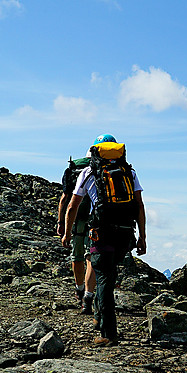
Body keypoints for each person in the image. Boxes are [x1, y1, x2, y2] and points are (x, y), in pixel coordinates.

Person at [61, 134, 147, 346]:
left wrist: (67, 232)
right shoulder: (129, 172)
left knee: (104, 280)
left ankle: (107, 333)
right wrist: (142, 237)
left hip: (101, 232)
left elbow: (72, 206)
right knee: (107, 276)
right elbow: (139, 205)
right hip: (126, 233)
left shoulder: (89, 172)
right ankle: (99, 317)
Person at [57, 157, 96, 312]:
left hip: (77, 219)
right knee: (90, 257)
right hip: (96, 220)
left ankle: (79, 290)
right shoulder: (102, 171)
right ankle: (88, 295)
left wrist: (62, 224)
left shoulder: (74, 171)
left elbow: (65, 199)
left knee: (77, 255)